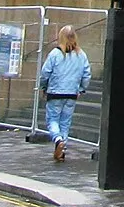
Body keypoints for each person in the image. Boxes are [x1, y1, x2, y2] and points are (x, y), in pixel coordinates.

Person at [38, 24, 91, 163]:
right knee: (65, 123)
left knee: (52, 120)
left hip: (55, 92)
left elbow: (45, 73)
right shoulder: (81, 55)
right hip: (72, 94)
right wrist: (81, 89)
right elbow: (86, 75)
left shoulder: (55, 54)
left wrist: (43, 87)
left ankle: (58, 140)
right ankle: (62, 150)